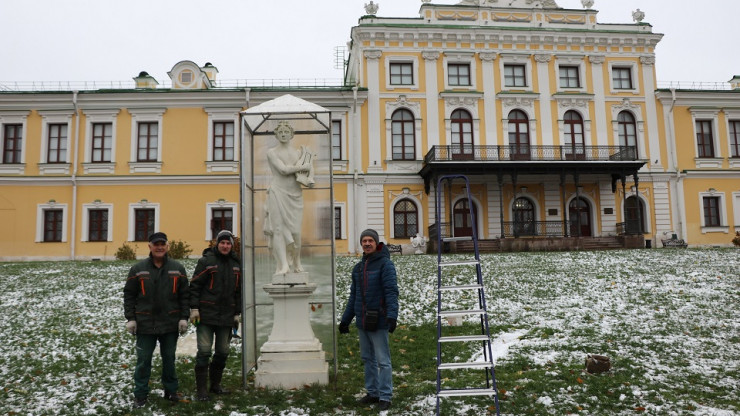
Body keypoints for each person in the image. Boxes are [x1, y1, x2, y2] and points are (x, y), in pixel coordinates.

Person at [123, 231, 189, 409]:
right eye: (156, 244)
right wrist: (131, 318)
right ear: (150, 247)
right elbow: (129, 295)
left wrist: (184, 317)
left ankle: (171, 390)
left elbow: (185, 296)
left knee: (169, 359)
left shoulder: (177, 268)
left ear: (167, 246)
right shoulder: (138, 269)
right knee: (143, 360)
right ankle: (140, 394)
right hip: (145, 324)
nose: (159, 247)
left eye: (162, 244)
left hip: (170, 323)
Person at [339, 229, 399, 411]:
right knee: (367, 358)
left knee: (383, 360)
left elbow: (391, 291)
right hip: (363, 322)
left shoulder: (385, 265)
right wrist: (346, 320)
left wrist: (392, 315)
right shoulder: (358, 268)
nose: (367, 243)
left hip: (379, 319)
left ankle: (385, 395)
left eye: (370, 240)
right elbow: (354, 296)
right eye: (364, 241)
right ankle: (373, 392)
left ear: (376, 243)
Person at [189, 229, 242, 401]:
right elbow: (195, 286)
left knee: (222, 351)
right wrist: (194, 308)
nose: (225, 246)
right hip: (205, 315)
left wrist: (237, 313)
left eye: (228, 243)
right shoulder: (206, 262)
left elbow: (239, 291)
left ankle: (215, 385)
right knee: (204, 351)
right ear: (217, 244)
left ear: (231, 246)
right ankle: (201, 390)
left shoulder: (237, 264)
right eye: (222, 243)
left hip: (226, 316)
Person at [263, 120, 314, 275]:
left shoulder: (299, 154)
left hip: (295, 195)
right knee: (278, 230)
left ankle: (297, 262)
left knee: (296, 232)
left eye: (286, 132)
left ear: (292, 134)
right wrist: (303, 167)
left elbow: (309, 171)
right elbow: (283, 170)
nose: (284, 134)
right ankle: (283, 265)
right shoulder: (272, 152)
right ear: (276, 135)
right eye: (281, 132)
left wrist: (310, 174)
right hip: (277, 192)